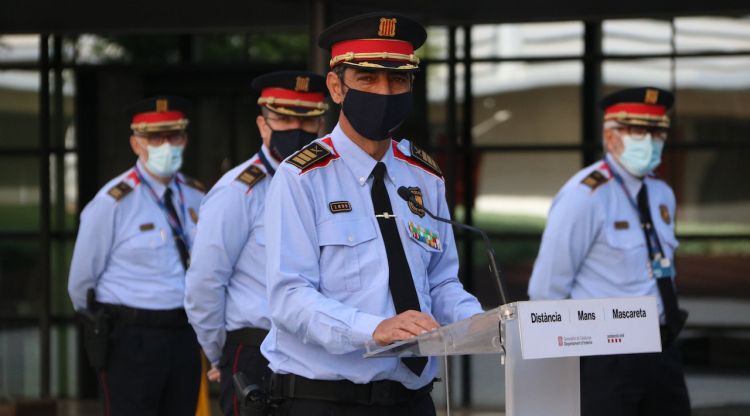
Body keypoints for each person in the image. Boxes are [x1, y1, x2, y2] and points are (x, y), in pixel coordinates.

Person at [262, 12, 483, 416]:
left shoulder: (424, 176)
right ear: (336, 87)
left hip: (412, 400)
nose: (384, 91)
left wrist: (481, 323)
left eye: (398, 80)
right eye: (367, 79)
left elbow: (441, 280)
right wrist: (373, 329)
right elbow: (288, 296)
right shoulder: (301, 177)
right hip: (326, 399)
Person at [527, 87, 690, 415]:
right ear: (610, 135)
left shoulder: (661, 194)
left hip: (662, 346)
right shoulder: (585, 195)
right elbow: (547, 290)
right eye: (638, 131)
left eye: (657, 132)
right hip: (607, 355)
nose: (650, 141)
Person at [184, 70, 328, 416]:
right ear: (263, 125)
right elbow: (204, 284)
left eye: (306, 121)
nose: (296, 130)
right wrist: (222, 353)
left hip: (322, 353)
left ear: (321, 125)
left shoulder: (331, 185)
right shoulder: (237, 192)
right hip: (255, 351)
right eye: (283, 119)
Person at [68, 96, 205, 415]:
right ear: (135, 144)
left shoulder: (198, 196)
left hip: (184, 334)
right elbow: (80, 284)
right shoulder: (113, 202)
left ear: (184, 139)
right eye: (154, 138)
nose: (165, 145)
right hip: (130, 338)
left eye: (173, 136)